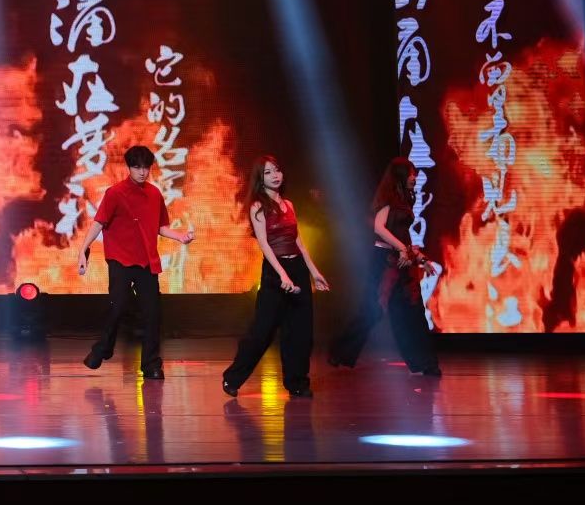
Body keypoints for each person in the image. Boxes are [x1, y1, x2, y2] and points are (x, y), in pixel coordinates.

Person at [75, 144, 196, 380]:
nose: (142, 172)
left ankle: (151, 365)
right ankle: (103, 348)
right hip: (120, 258)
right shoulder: (115, 193)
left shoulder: (154, 194)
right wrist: (83, 250)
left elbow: (161, 227)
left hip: (146, 261)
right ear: (129, 167)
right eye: (137, 167)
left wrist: (180, 236)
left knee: (153, 314)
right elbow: (99, 222)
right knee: (118, 305)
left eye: (146, 167)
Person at [221, 155, 328, 399]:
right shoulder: (257, 207)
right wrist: (282, 275)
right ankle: (233, 377)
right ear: (260, 178)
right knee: (262, 331)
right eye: (268, 172)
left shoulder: (289, 204)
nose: (275, 176)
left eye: (277, 170)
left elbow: (298, 242)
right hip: (274, 272)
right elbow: (265, 244)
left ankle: (297, 383)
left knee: (301, 331)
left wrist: (314, 272)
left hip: (297, 269)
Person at [326, 157, 441, 376]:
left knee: (412, 313)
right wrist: (402, 249)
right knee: (373, 310)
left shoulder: (406, 199)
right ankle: (340, 351)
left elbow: (404, 236)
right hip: (385, 262)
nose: (414, 177)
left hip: (402, 262)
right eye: (411, 173)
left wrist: (421, 259)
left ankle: (424, 363)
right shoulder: (388, 199)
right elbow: (379, 228)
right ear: (400, 176)